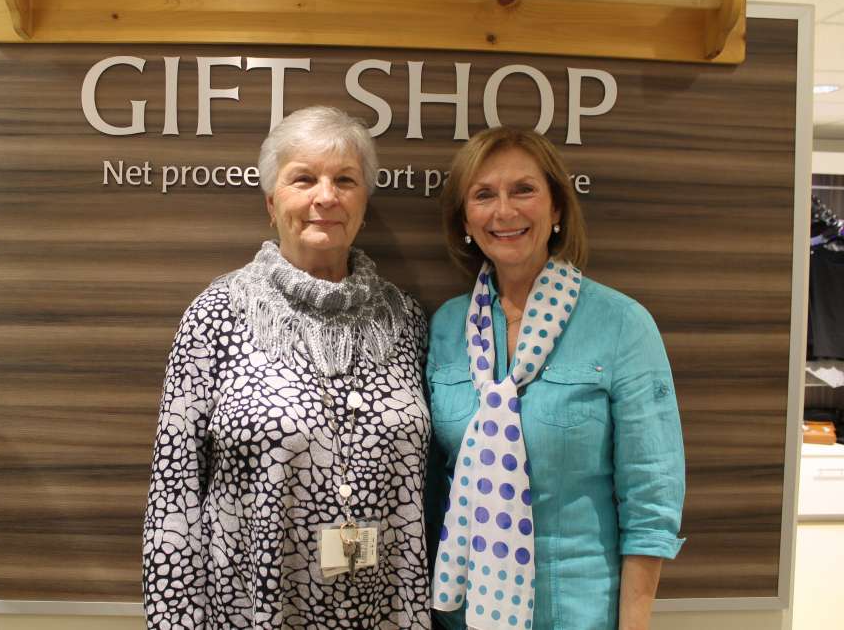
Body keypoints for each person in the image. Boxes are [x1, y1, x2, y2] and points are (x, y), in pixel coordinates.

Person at [142, 106, 432, 629]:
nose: (326, 196)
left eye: (345, 179)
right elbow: (174, 491)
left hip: (384, 613)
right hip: (253, 613)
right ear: (272, 203)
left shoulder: (405, 319)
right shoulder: (217, 312)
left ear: (364, 202)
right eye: (304, 178)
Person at [425, 127, 685, 630]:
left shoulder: (621, 325)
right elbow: (436, 484)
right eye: (484, 195)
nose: (504, 212)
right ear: (464, 220)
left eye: (523, 190)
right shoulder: (446, 328)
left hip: (581, 613)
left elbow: (651, 497)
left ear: (558, 209)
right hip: (462, 614)